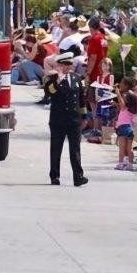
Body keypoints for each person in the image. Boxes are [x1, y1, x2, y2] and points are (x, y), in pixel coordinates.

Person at [44, 52, 87, 186]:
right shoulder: (53, 79)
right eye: (64, 65)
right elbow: (49, 93)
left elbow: (81, 100)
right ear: (59, 65)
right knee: (56, 149)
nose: (67, 67)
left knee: (75, 149)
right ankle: (54, 176)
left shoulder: (76, 78)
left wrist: (84, 117)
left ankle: (78, 176)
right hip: (58, 120)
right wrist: (58, 80)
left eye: (69, 64)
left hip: (74, 120)